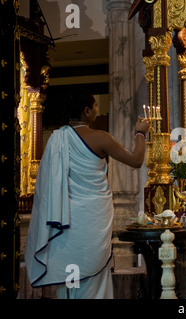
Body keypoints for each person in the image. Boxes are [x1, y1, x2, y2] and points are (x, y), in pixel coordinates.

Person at [25, 89, 150, 299]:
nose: (96, 111)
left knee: (70, 274)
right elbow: (136, 160)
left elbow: (47, 188)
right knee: (93, 276)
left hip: (65, 222)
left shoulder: (57, 139)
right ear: (86, 111)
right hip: (92, 220)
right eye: (95, 107)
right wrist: (140, 133)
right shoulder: (100, 137)